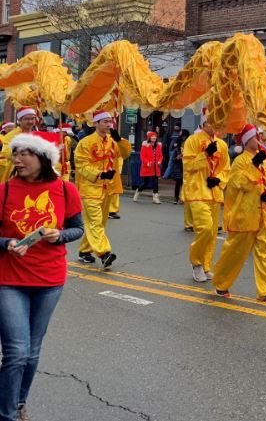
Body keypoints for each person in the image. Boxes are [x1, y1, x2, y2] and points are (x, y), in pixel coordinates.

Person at [0, 133, 85, 421]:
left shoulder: (65, 189)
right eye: (16, 153)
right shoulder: (5, 190)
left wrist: (58, 235)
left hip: (49, 280)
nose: (18, 159)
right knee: (16, 351)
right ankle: (7, 414)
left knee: (32, 350)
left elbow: (78, 229)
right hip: (9, 278)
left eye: (25, 153)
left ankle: (18, 400)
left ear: (43, 158)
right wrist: (6, 244)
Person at [212, 125, 266, 301]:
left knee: (265, 253)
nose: (258, 139)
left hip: (263, 215)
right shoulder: (240, 161)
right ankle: (221, 283)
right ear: (247, 140)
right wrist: (253, 165)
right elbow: (238, 183)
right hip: (244, 215)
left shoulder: (262, 160)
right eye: (255, 136)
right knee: (235, 253)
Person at [74, 111, 131, 269]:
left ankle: (85, 251)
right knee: (95, 222)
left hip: (108, 188)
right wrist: (100, 174)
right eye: (105, 121)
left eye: (110, 121)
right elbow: (81, 164)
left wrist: (119, 140)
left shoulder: (113, 142)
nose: (108, 124)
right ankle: (104, 253)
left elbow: (125, 154)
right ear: (96, 123)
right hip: (90, 188)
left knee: (100, 223)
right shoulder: (85, 142)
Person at [183, 112, 231, 282]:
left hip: (214, 193)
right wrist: (204, 155)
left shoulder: (222, 145)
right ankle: (196, 263)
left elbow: (226, 168)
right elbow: (188, 165)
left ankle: (205, 265)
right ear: (204, 124)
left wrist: (218, 180)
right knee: (205, 228)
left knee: (211, 234)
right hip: (197, 192)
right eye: (213, 123)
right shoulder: (192, 141)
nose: (217, 126)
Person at [0, 108, 40, 184]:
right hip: (17, 171)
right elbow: (6, 153)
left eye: (33, 118)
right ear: (20, 120)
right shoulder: (12, 136)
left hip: (35, 172)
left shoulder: (37, 134)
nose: (30, 121)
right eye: (27, 119)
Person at [135, 131, 163, 204]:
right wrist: (147, 163)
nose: (154, 137)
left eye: (155, 136)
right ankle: (138, 191)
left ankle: (155, 198)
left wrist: (160, 161)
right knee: (145, 183)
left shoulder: (158, 145)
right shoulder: (145, 145)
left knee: (156, 182)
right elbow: (142, 156)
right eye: (152, 136)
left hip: (156, 167)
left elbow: (160, 156)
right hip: (147, 167)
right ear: (149, 137)